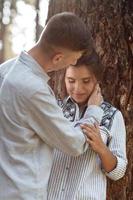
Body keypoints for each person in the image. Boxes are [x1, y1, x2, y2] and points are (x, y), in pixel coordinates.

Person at [0, 12, 104, 200]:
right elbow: (74, 143)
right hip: (23, 194)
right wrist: (94, 111)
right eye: (73, 59)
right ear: (57, 58)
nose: (73, 63)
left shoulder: (4, 71)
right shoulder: (32, 89)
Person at [47, 50, 128, 200]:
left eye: (86, 81)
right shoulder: (54, 109)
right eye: (71, 81)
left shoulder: (112, 116)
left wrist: (101, 149)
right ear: (64, 78)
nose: (78, 89)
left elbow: (119, 172)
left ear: (97, 79)